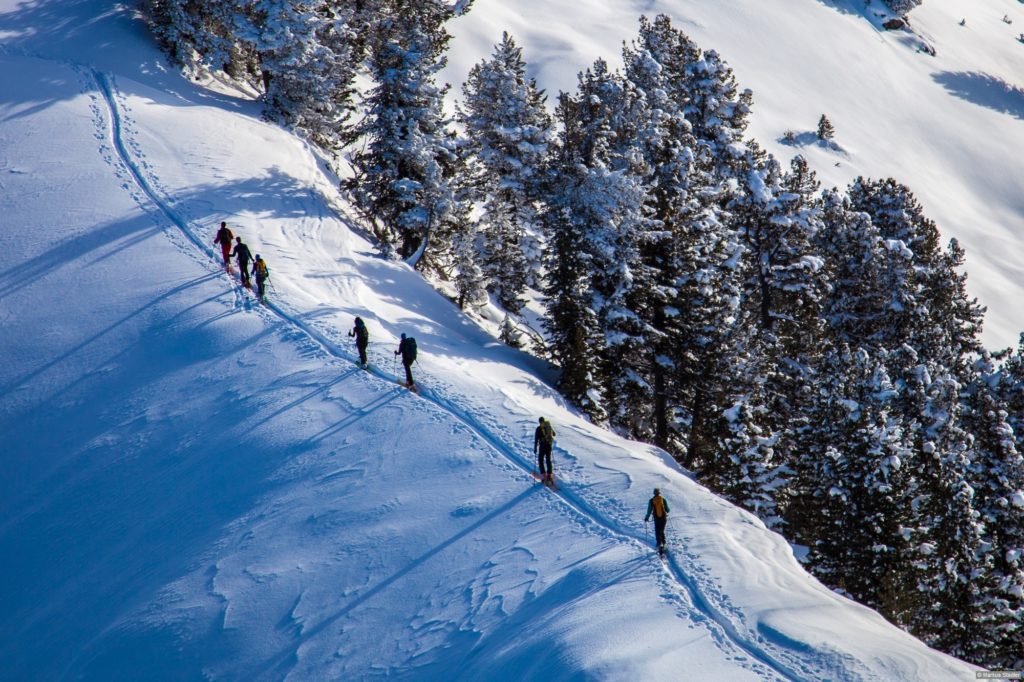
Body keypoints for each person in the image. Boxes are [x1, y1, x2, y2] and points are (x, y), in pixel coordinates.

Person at [645, 488, 670, 556]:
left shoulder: (652, 500)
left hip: (656, 518)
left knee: (657, 531)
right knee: (662, 530)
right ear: (659, 493)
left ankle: (659, 544)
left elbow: (649, 510)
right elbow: (667, 510)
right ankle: (664, 544)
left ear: (654, 493)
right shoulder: (663, 499)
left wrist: (647, 517)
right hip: (664, 518)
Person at [534, 417, 555, 484]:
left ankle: (544, 475)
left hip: (542, 446)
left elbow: (536, 439)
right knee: (548, 459)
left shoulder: (538, 429)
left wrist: (535, 448)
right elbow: (554, 434)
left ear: (539, 422)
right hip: (549, 445)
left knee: (541, 459)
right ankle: (549, 475)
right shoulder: (548, 426)